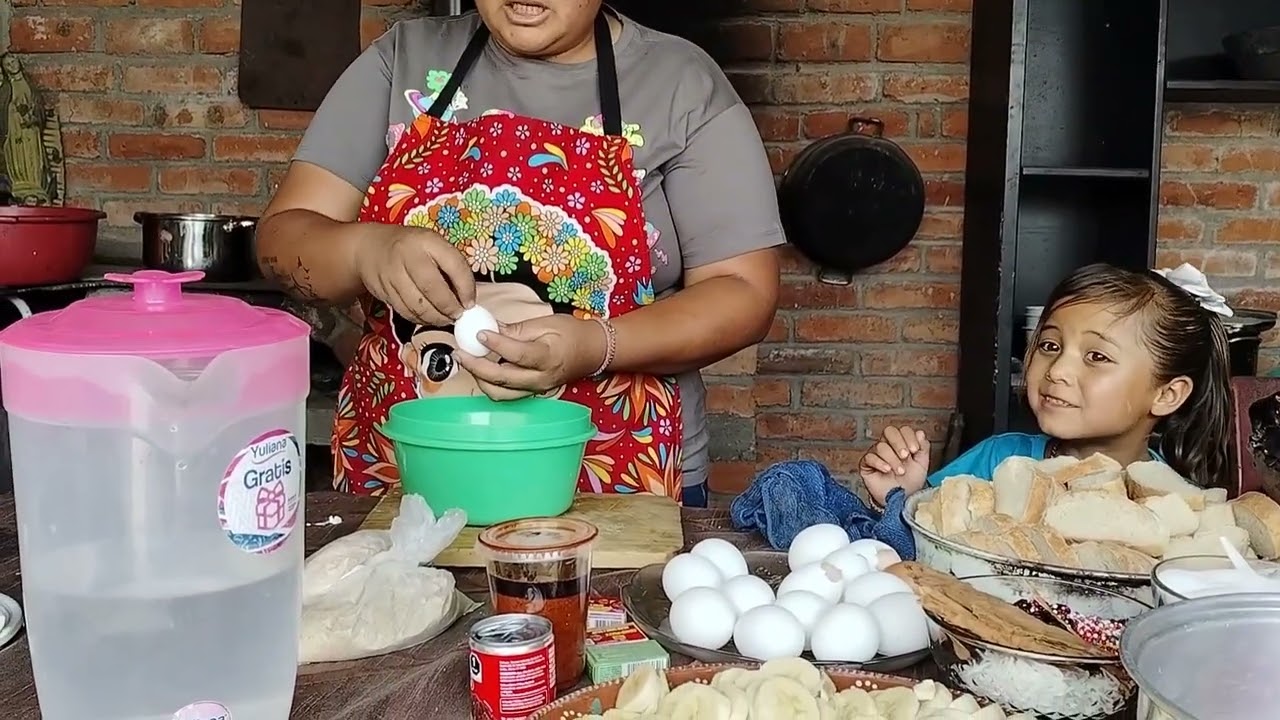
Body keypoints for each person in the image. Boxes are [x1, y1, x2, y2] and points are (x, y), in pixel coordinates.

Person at [255, 1, 783, 505]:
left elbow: (744, 291)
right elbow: (281, 238)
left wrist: (594, 346)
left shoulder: (679, 85)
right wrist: (363, 250)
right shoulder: (405, 62)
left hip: (618, 482)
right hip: (406, 475)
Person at [859, 263, 1234, 505]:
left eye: (1096, 356)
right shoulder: (997, 461)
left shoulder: (1175, 504)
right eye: (1050, 345)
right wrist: (903, 495)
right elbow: (925, 542)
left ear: (1167, 394)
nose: (1056, 370)